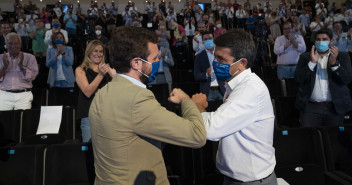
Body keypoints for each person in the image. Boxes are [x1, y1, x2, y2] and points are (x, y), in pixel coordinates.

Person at [89, 26, 206, 185]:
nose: (158, 61)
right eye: (154, 58)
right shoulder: (137, 99)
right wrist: (189, 102)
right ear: (136, 63)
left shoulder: (102, 93)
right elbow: (196, 136)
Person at [192, 29, 277, 185]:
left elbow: (210, 129)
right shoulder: (234, 83)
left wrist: (197, 107)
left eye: (221, 59)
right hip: (237, 178)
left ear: (242, 63)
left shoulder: (249, 89)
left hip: (251, 180)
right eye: (215, 57)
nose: (215, 63)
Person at [295, 28, 352, 127]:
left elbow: (347, 79)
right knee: (310, 139)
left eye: (324, 39)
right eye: (318, 39)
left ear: (331, 41)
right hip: (310, 108)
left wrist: (334, 65)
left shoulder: (342, 57)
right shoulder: (305, 57)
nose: (321, 42)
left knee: (333, 140)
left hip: (335, 107)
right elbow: (298, 79)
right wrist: (312, 63)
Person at [76, 40, 115, 142]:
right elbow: (88, 92)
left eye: (101, 51)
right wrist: (101, 75)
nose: (98, 54)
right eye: (95, 51)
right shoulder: (80, 70)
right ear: (89, 52)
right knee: (90, 152)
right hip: (89, 117)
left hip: (107, 116)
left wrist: (115, 76)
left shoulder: (107, 69)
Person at [0, 33, 38, 110]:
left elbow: (32, 77)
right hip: (4, 94)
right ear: (6, 44)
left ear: (20, 44)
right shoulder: (0, 57)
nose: (13, 46)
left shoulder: (30, 57)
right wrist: (5, 66)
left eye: (16, 43)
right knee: (3, 121)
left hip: (24, 95)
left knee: (22, 121)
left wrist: (21, 66)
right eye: (10, 43)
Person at [194, 31, 225, 101]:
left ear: (213, 39)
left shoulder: (221, 54)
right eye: (205, 39)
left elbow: (229, 69)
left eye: (210, 38)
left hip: (222, 89)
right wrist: (206, 74)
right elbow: (196, 75)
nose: (208, 40)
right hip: (208, 92)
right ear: (202, 41)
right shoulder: (199, 56)